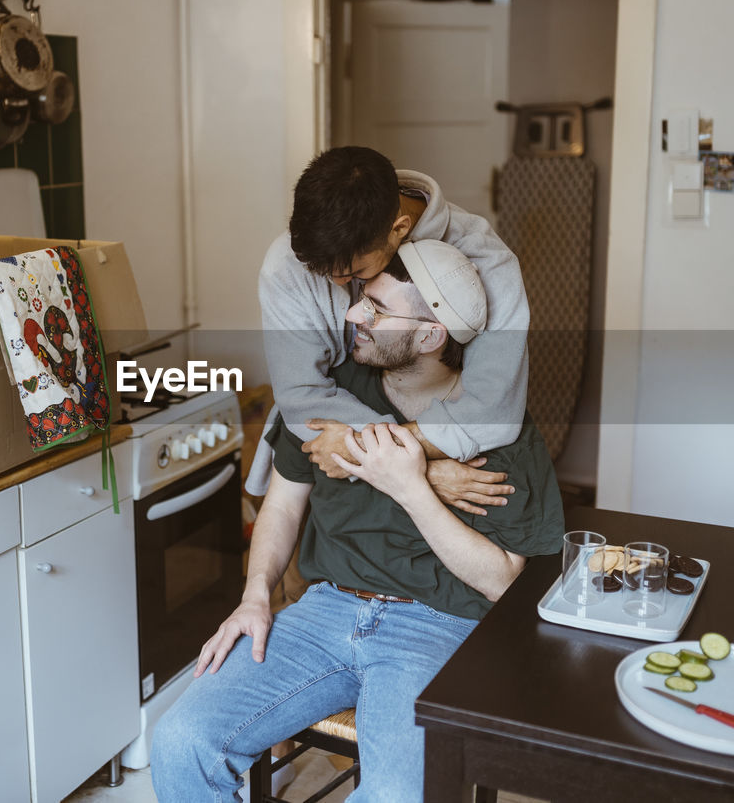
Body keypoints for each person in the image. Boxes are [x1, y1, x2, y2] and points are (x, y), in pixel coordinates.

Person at [151, 241, 563, 801]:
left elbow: (502, 581)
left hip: (438, 628)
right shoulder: (331, 393)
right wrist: (254, 595)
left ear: (430, 335)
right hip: (325, 611)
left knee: (396, 796)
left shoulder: (498, 427)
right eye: (360, 300)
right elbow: (283, 501)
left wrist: (412, 487)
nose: (352, 316)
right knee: (180, 740)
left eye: (376, 309)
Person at [251, 146, 530, 515]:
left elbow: (493, 409)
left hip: (461, 465)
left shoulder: (487, 261)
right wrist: (421, 471)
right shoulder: (285, 264)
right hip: (326, 457)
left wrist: (375, 453)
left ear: (399, 228)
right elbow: (303, 394)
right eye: (324, 274)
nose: (338, 286)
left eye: (353, 273)